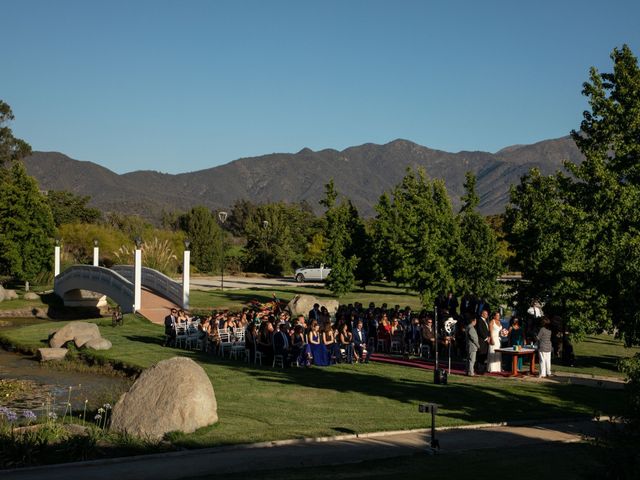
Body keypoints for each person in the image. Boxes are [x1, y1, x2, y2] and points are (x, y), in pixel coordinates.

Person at [475, 308, 491, 373]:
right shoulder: (479, 321)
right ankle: (479, 369)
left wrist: (489, 337)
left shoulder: (486, 320)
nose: (487, 315)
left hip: (486, 340)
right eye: (485, 314)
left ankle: (482, 368)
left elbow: (488, 330)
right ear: (482, 314)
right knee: (480, 355)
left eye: (487, 314)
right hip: (482, 340)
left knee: (484, 355)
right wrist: (486, 338)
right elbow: (480, 331)